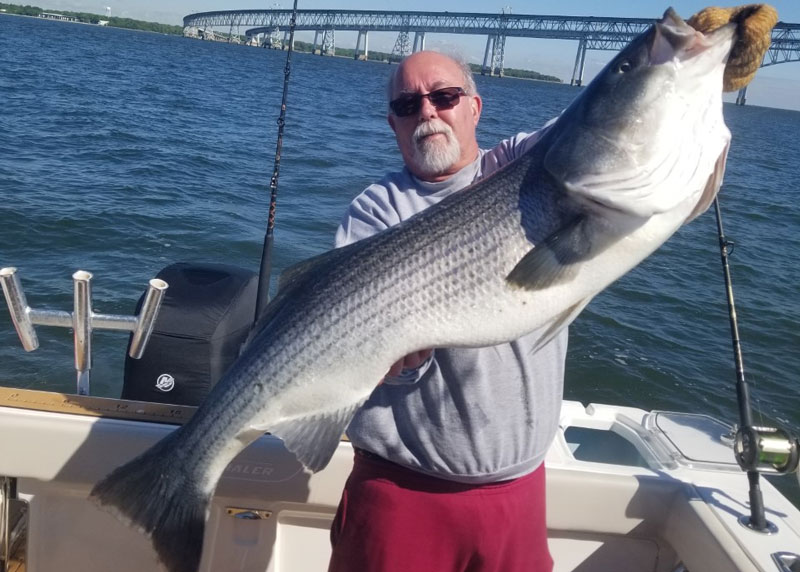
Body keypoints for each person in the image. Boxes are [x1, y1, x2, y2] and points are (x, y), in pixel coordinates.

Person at [327, 50, 567, 572]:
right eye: (408, 104)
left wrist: (694, 62)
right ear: (392, 122)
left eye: (444, 97)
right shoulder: (377, 210)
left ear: (475, 108)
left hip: (521, 493)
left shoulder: (526, 165)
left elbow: (604, 123)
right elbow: (369, 366)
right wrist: (395, 367)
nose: (428, 113)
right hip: (402, 492)